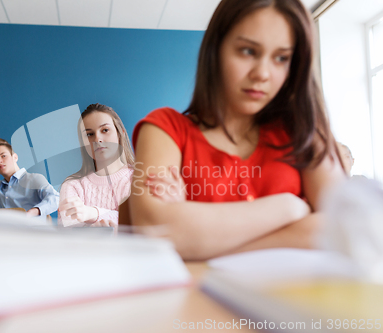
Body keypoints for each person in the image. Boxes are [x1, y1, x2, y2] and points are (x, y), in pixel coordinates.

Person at [129, 0, 346, 260]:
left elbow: (345, 230)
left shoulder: (304, 132)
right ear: (216, 48)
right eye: (247, 51)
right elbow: (157, 231)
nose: (262, 73)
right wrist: (289, 208)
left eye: (281, 58)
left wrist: (196, 242)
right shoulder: (165, 129)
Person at [58, 103, 134, 227]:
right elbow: (69, 234)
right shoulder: (71, 185)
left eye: (105, 130)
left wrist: (92, 213)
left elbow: (139, 225)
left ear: (121, 133)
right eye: (89, 134)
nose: (97, 139)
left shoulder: (139, 179)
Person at [0, 138, 59, 217]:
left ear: (15, 157)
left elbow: (56, 198)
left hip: (32, 228)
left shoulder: (34, 179)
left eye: (3, 156)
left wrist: (33, 212)